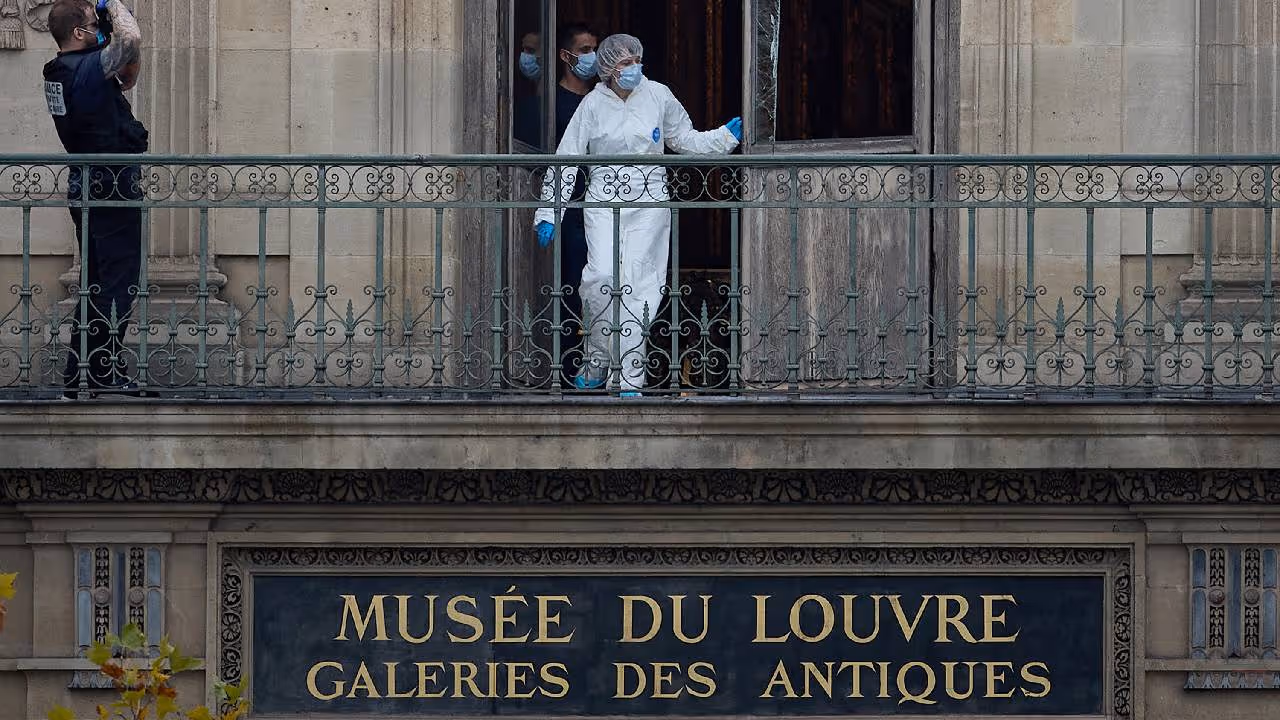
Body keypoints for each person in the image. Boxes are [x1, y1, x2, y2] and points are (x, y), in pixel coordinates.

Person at [534, 33, 742, 395]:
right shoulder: (593, 104)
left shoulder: (658, 95)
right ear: (608, 68)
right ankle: (597, 359)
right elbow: (568, 156)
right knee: (600, 277)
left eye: (635, 60)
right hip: (603, 200)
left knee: (640, 286)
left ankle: (628, 376)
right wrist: (550, 211)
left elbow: (684, 139)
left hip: (649, 201)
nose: (633, 67)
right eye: (624, 62)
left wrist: (723, 138)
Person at [43, 0, 148, 398]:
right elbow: (130, 39)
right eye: (92, 23)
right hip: (110, 187)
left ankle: (82, 375)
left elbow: (128, 73)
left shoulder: (66, 69)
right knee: (117, 283)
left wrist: (105, 24)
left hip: (89, 186)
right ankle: (102, 373)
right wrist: (113, 5)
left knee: (96, 283)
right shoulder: (84, 69)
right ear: (77, 33)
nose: (99, 26)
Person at [545, 22, 597, 382]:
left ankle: (599, 366)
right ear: (566, 56)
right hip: (568, 209)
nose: (592, 56)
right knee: (570, 288)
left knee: (603, 287)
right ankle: (565, 369)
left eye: (595, 49)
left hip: (602, 205)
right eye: (584, 50)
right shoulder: (550, 103)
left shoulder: (601, 100)